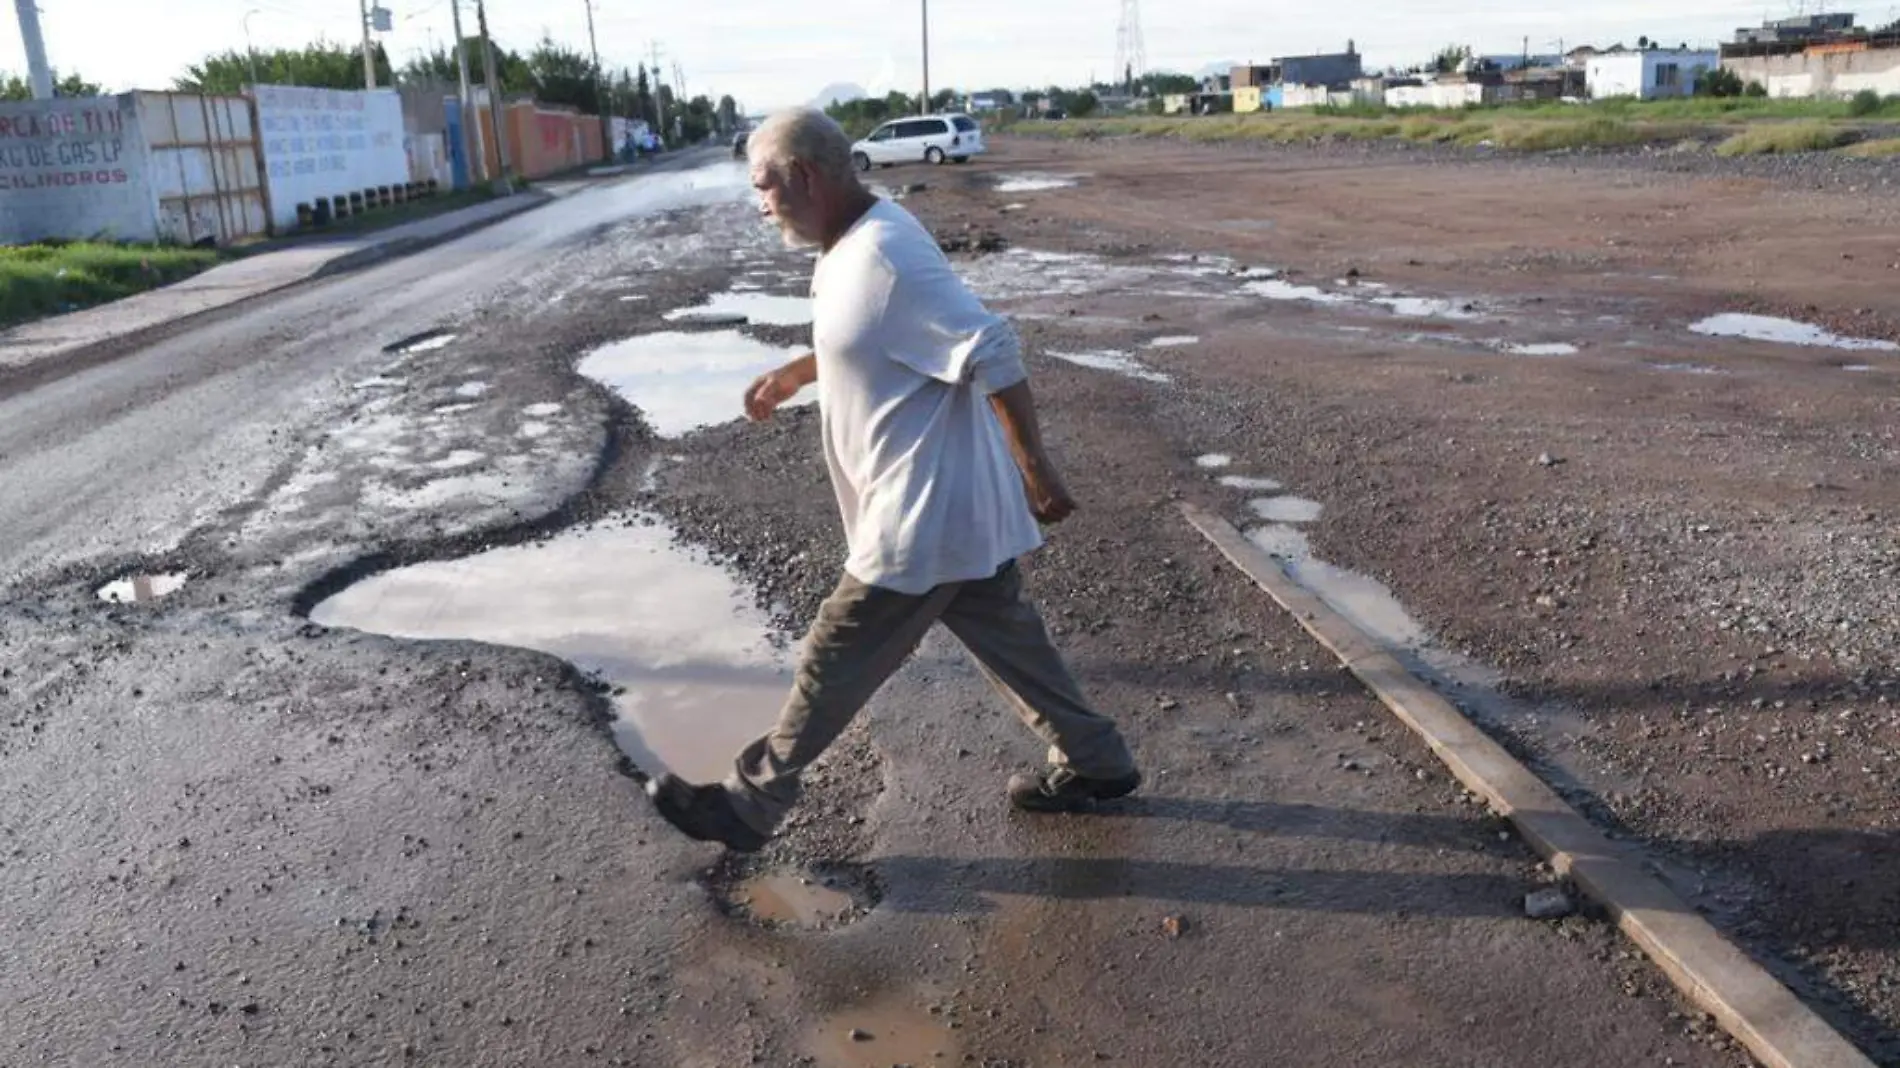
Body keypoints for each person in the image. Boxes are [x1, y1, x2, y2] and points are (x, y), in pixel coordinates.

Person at [645, 108, 1140, 853]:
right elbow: (878, 334)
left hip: (922, 514)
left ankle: (751, 804)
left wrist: (1037, 469)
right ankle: (1097, 763)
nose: (760, 204)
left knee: (833, 651)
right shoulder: (846, 242)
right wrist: (801, 370)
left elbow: (992, 348)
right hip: (951, 511)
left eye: (763, 187)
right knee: (1012, 642)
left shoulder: (885, 253)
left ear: (805, 176)